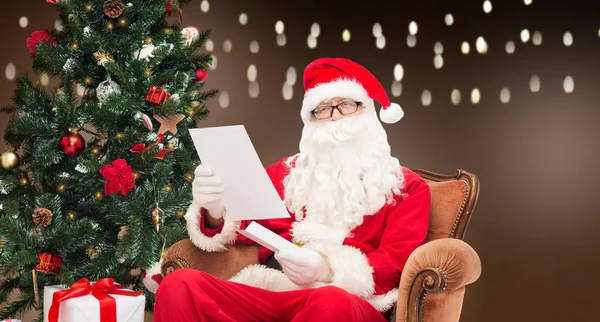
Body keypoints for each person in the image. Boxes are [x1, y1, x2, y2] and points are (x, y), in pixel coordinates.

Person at [153, 57, 431, 322]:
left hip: (347, 300)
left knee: (331, 301)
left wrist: (326, 267)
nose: (334, 117)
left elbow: (396, 262)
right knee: (180, 284)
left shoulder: (406, 188)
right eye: (323, 109)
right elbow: (242, 223)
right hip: (274, 291)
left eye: (346, 104)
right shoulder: (287, 174)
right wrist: (214, 208)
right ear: (310, 119)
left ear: (368, 111)